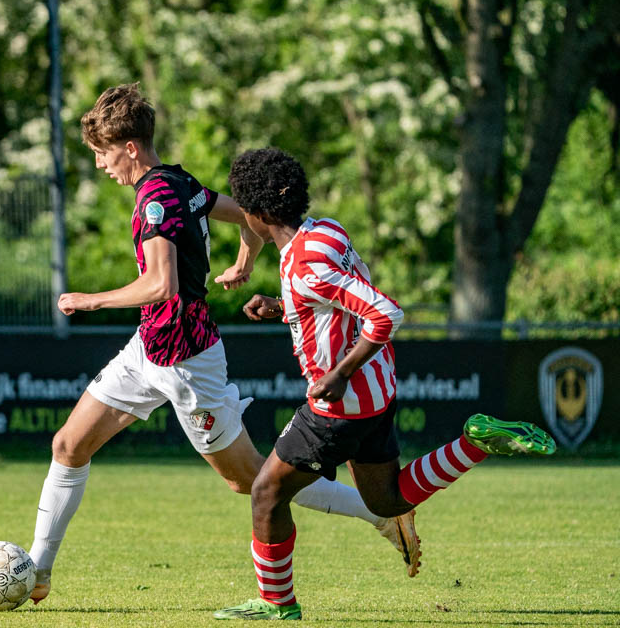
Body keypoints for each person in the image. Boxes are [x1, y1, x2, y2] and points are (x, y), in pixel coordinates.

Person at [0, 85, 418, 605]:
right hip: (149, 345)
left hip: (186, 358)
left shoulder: (158, 199)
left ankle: (383, 513)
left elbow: (162, 285)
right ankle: (38, 572)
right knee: (68, 445)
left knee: (251, 480)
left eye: (103, 153)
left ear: (130, 147)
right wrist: (245, 260)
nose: (100, 165)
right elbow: (248, 213)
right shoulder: (180, 183)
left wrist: (91, 299)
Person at [212, 147, 557, 621]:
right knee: (387, 498)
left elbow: (385, 312)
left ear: (259, 214)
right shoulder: (325, 232)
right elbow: (342, 298)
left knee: (266, 493)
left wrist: (339, 373)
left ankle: (277, 603)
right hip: (377, 393)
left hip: (339, 407)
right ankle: (474, 442)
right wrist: (284, 307)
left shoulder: (304, 266)